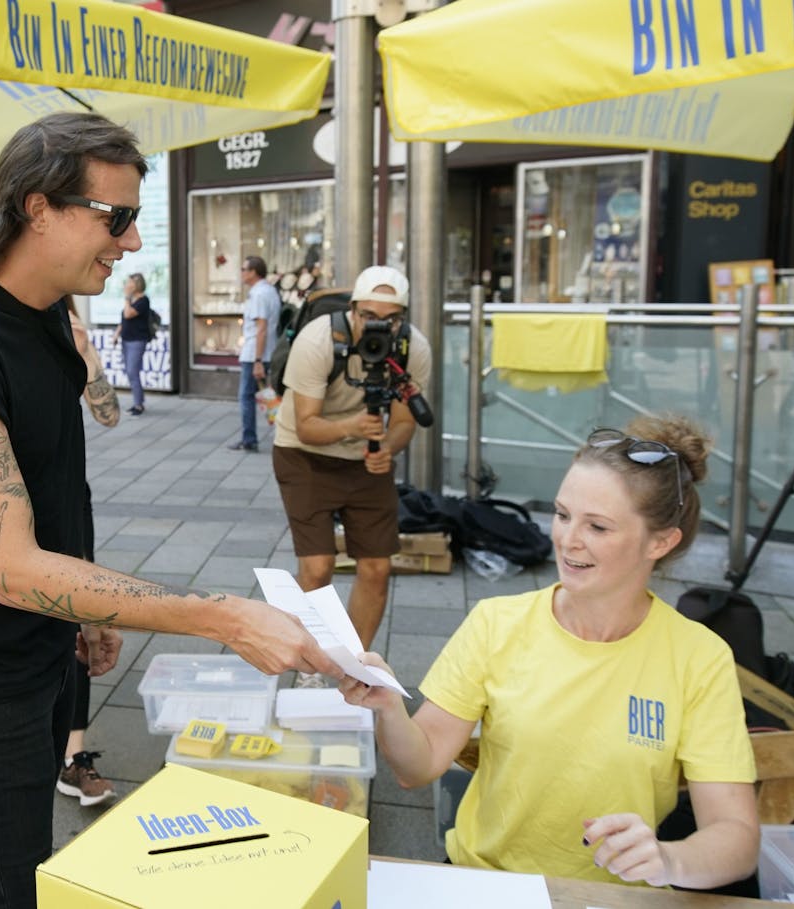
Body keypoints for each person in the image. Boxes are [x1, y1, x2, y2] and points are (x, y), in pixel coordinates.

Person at [0, 111, 338, 908]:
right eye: (116, 217)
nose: (130, 243)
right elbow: (11, 565)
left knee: (37, 855)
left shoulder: (47, 314)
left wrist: (80, 609)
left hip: (41, 648)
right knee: (7, 886)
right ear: (36, 207)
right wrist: (220, 616)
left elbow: (48, 483)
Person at [340, 414, 759, 891]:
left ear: (660, 542)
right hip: (486, 885)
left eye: (598, 526)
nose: (567, 539)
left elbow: (736, 839)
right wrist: (390, 708)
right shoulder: (498, 623)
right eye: (562, 515)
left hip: (612, 898)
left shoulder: (698, 658)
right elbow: (418, 767)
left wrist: (668, 859)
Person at [273, 265, 433, 656]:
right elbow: (307, 426)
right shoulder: (319, 340)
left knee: (378, 568)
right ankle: (308, 659)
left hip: (365, 457)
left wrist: (388, 452)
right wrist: (354, 427)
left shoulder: (413, 349)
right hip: (303, 454)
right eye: (369, 317)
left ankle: (353, 666)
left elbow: (402, 423)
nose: (379, 327)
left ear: (403, 319)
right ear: (354, 309)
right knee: (318, 567)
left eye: (391, 319)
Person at [57, 297, 120, 808]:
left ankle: (73, 756)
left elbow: (109, 415)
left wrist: (88, 355)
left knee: (83, 620)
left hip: (69, 500)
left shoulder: (69, 332)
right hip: (3, 506)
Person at [227, 255, 280, 452]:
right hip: (265, 352)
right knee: (269, 396)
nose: (241, 273)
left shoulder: (259, 294)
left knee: (247, 397)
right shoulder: (269, 290)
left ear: (253, 272)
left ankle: (249, 439)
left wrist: (257, 360)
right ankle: (279, 434)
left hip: (255, 354)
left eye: (243, 269)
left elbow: (262, 328)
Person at [113, 273, 152, 416]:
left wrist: (127, 297)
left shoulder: (143, 301)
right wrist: (116, 334)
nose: (126, 285)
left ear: (137, 285)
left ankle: (138, 405)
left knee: (132, 372)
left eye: (129, 283)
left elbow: (128, 314)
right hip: (126, 340)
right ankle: (139, 400)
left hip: (137, 341)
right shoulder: (132, 300)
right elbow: (124, 320)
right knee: (131, 372)